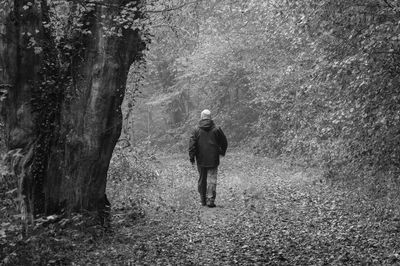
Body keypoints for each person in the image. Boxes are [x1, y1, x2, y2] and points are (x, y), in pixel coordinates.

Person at [189, 109, 228, 207]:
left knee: (202, 179)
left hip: (201, 159)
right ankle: (210, 200)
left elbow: (192, 145)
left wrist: (192, 157)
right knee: (212, 179)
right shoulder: (217, 129)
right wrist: (221, 152)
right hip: (213, 159)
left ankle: (203, 200)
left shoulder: (196, 129)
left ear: (201, 117)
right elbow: (224, 142)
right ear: (210, 117)